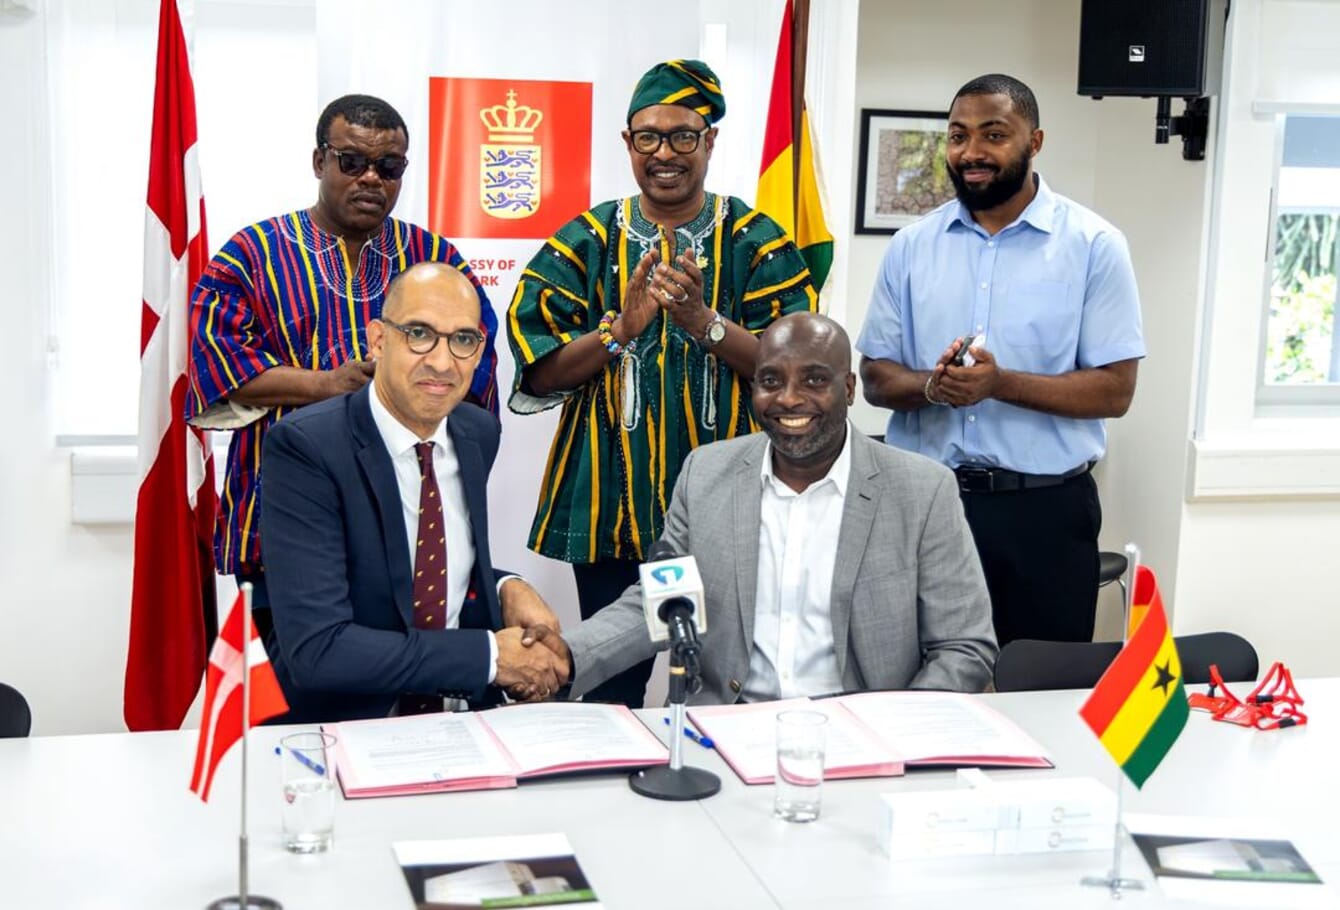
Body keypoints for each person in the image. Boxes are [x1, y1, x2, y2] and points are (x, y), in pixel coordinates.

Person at [507, 60, 817, 709]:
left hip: (731, 508)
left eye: (683, 135)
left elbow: (796, 373)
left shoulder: (758, 242)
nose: (665, 153)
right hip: (606, 505)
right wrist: (619, 330)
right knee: (608, 687)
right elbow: (539, 368)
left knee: (728, 680)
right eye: (648, 136)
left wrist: (704, 323)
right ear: (627, 143)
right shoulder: (587, 240)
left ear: (710, 141)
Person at [525, 313, 997, 704]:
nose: (789, 398)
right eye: (771, 380)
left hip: (861, 737)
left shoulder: (922, 490)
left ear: (849, 389)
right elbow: (663, 601)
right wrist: (568, 655)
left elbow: (964, 648)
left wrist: (891, 735)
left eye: (814, 380)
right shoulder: (706, 473)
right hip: (724, 733)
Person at [186, 93, 500, 641]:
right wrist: (327, 386)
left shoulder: (436, 260)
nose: (371, 179)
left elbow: (477, 357)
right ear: (319, 162)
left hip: (410, 514)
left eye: (389, 167)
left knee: (403, 690)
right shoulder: (252, 254)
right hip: (280, 513)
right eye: (352, 162)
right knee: (295, 696)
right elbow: (217, 364)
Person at [855, 74, 1145, 647]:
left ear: (1034, 142)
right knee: (915, 686)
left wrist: (999, 383)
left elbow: (1115, 391)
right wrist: (936, 388)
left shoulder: (1094, 245)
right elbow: (875, 379)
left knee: (1038, 692)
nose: (972, 153)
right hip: (926, 506)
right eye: (958, 136)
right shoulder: (911, 246)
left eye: (994, 135)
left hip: (1045, 513)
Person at [259, 263, 564, 723]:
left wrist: (504, 585)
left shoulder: (477, 432)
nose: (442, 362)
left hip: (463, 722)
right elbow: (319, 649)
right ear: (378, 340)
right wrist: (488, 657)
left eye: (463, 339)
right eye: (419, 333)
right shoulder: (306, 447)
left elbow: (420, 560)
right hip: (344, 729)